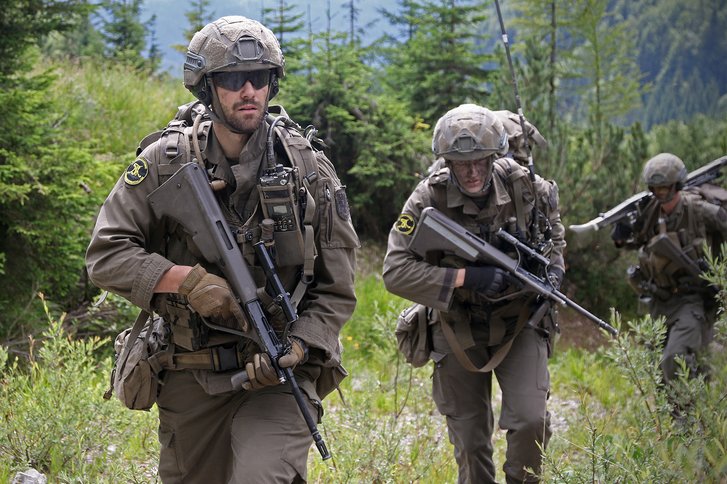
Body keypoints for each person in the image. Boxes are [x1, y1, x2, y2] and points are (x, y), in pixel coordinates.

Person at [86, 16, 359, 483]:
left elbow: (337, 290)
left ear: (273, 84)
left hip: (277, 377)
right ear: (207, 87)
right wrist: (186, 281)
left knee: (262, 475)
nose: (248, 90)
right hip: (191, 370)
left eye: (260, 78)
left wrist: (296, 346)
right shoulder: (165, 161)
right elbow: (106, 255)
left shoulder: (308, 170)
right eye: (233, 80)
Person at [383, 103, 566, 483]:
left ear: (494, 156)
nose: (471, 171)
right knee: (470, 439)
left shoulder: (526, 186)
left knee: (532, 420)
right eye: (460, 162)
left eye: (480, 161)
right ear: (446, 161)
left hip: (519, 321)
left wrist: (551, 272)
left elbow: (555, 235)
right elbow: (395, 271)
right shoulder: (425, 199)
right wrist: (467, 278)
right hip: (457, 326)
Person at [611, 153, 727, 384]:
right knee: (661, 373)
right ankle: (684, 417)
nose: (660, 194)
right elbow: (635, 241)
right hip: (659, 300)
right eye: (655, 189)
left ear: (677, 186)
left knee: (675, 359)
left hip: (692, 299)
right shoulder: (650, 212)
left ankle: (690, 416)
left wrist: (717, 273)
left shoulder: (701, 211)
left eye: (665, 189)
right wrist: (621, 235)